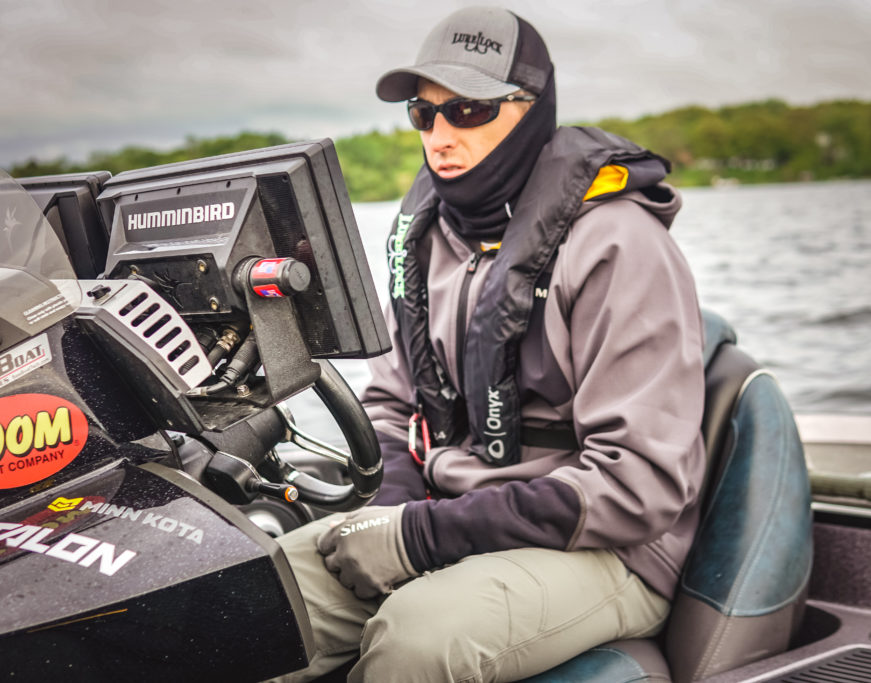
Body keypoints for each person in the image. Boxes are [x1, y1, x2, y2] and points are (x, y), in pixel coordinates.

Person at [276, 6, 706, 682]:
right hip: (448, 515)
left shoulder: (619, 244)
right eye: (425, 114)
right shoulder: (425, 239)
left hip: (607, 545)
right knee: (251, 592)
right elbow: (391, 404)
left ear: (532, 110)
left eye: (469, 110)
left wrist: (420, 538)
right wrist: (390, 509)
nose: (441, 135)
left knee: (418, 637)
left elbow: (638, 484)